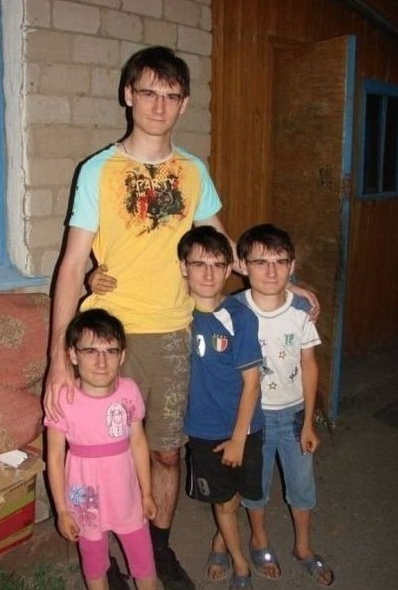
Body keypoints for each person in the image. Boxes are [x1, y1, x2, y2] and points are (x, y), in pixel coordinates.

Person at [45, 44, 319, 590]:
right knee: (100, 452)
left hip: (174, 332)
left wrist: (279, 280)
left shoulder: (193, 171)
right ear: (128, 95)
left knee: (167, 454)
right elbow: (72, 263)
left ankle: (157, 551)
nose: (159, 105)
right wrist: (58, 357)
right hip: (110, 334)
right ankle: (101, 553)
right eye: (148, 92)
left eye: (171, 95)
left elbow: (220, 243)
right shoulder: (98, 170)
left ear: (185, 104)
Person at [209, 223, 334, 587]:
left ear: (291, 266)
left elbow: (309, 364)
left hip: (294, 414)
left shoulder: (301, 309)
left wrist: (308, 421)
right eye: (260, 262)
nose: (271, 271)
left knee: (302, 485)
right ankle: (258, 540)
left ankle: (303, 547)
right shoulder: (231, 310)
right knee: (255, 487)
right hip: (254, 418)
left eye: (280, 262)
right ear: (243, 266)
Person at [177, 226, 264, 590]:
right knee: (223, 499)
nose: (209, 274)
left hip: (245, 426)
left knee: (238, 493)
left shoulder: (240, 316)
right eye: (199, 264)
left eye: (217, 265)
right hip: (204, 430)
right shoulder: (173, 314)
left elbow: (252, 383)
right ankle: (240, 564)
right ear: (183, 267)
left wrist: (239, 439)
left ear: (230, 269)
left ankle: (220, 540)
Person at [45, 309, 157, 590]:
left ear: (122, 356)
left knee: (144, 562)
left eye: (110, 351)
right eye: (90, 351)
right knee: (94, 564)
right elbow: (55, 457)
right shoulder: (62, 399)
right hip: (85, 501)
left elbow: (139, 443)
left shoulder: (129, 391)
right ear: (73, 355)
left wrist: (147, 492)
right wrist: (62, 510)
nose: (101, 362)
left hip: (127, 497)